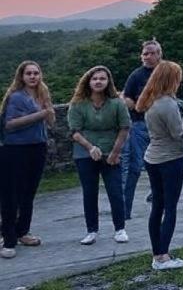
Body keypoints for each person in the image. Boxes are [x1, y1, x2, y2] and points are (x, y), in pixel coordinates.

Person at [67, 65, 131, 245]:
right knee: (89, 192)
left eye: (102, 78)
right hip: (85, 153)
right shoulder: (78, 103)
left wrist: (116, 152)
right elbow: (74, 132)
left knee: (115, 191)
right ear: (88, 81)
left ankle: (120, 228)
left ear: (108, 81)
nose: (98, 82)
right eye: (95, 78)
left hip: (111, 151)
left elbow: (124, 128)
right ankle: (91, 230)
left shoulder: (117, 103)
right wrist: (90, 147)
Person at [135, 61, 183, 271]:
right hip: (170, 158)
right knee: (170, 207)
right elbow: (177, 133)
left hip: (153, 157)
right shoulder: (168, 103)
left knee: (157, 206)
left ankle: (156, 252)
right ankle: (164, 257)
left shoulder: (150, 101)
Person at [0, 61, 55, 259]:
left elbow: (51, 121)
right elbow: (10, 124)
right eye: (29, 74)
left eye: (36, 73)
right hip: (16, 150)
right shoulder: (16, 97)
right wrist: (41, 113)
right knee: (11, 195)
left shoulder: (42, 94)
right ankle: (8, 239)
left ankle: (22, 231)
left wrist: (48, 110)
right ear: (21, 77)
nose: (33, 77)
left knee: (28, 193)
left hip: (37, 147)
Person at [120, 39, 161, 221]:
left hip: (161, 125)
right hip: (140, 125)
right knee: (135, 167)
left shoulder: (165, 73)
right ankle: (124, 209)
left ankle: (158, 198)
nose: (148, 56)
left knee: (161, 163)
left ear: (159, 55)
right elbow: (125, 98)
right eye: (145, 53)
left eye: (152, 53)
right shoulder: (136, 75)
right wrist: (139, 106)